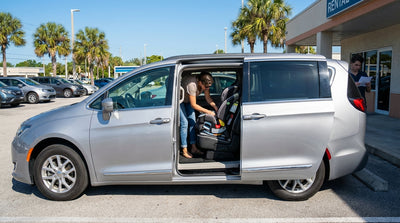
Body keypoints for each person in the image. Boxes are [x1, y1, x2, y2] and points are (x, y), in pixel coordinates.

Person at [180, 71, 218, 159]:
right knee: (184, 123)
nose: (207, 88)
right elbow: (194, 105)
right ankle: (184, 149)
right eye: (206, 86)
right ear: (200, 82)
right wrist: (208, 112)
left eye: (209, 86)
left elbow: (208, 98)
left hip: (188, 100)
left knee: (193, 122)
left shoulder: (205, 84)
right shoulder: (192, 85)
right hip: (180, 100)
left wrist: (216, 107)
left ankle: (193, 148)